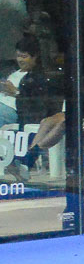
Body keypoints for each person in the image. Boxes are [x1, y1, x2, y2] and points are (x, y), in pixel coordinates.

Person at [1, 35, 60, 182]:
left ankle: (17, 162)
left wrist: (16, 93)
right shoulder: (16, 74)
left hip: (20, 113)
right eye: (18, 56)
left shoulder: (40, 78)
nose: (20, 60)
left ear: (35, 57)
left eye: (24, 56)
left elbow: (38, 104)